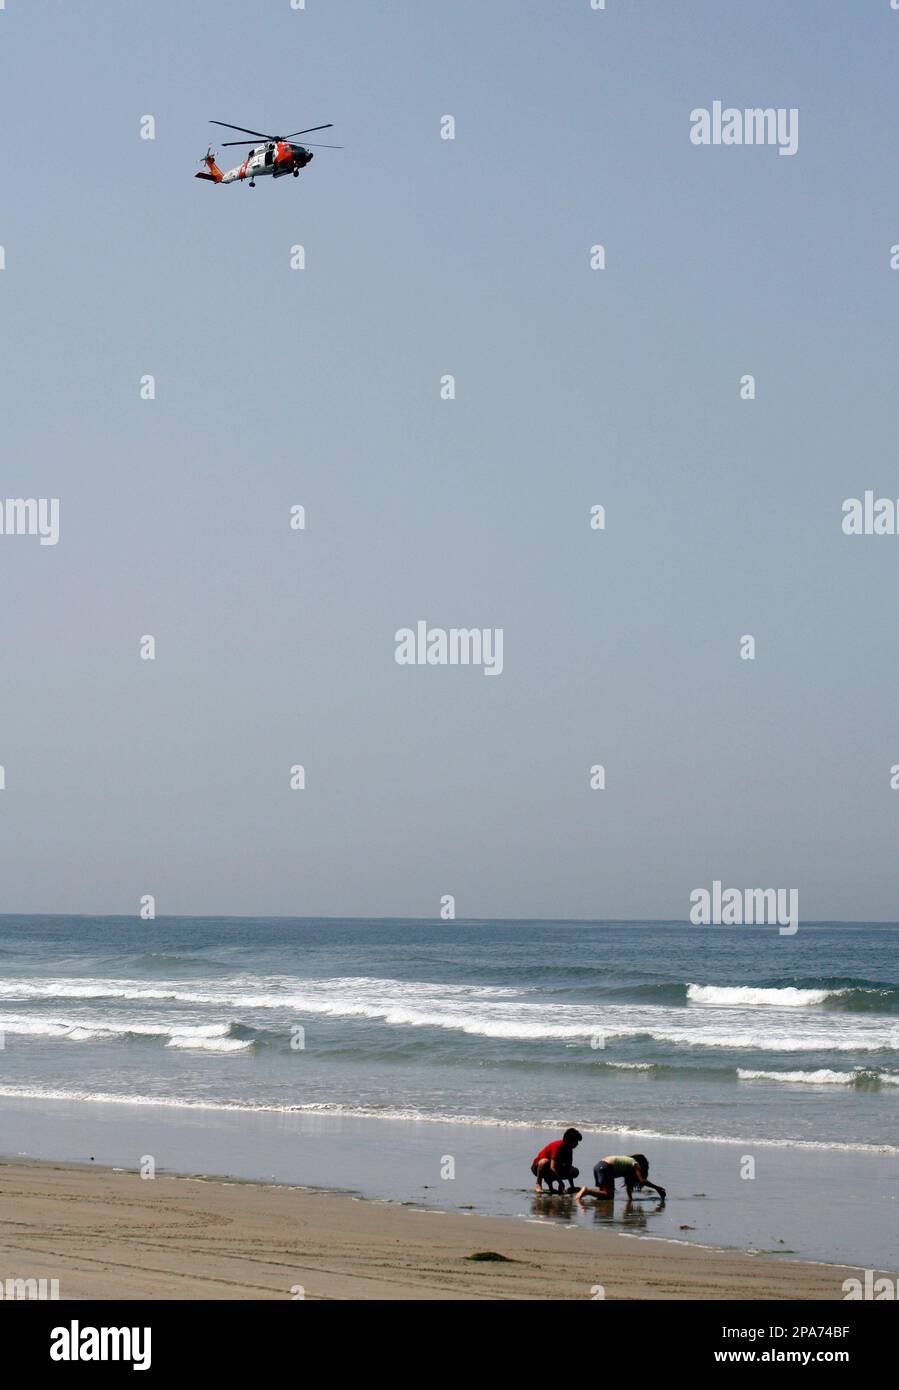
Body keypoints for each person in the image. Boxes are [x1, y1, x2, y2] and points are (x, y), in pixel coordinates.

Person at [576, 1152, 666, 1202]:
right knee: (609, 1196)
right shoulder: (635, 1164)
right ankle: (586, 1190)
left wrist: (630, 1199)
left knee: (603, 1196)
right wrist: (657, 1188)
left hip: (598, 1166)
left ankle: (582, 1191)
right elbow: (642, 1181)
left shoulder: (626, 1162)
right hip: (606, 1168)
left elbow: (628, 1185)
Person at [531, 1128, 583, 1193]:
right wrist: (561, 1183)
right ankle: (538, 1183)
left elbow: (568, 1168)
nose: (577, 1144)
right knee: (544, 1162)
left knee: (574, 1171)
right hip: (537, 1168)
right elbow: (552, 1167)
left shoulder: (569, 1150)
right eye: (576, 1141)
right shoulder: (557, 1146)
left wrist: (572, 1187)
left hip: (552, 1169)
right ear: (570, 1141)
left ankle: (551, 1185)